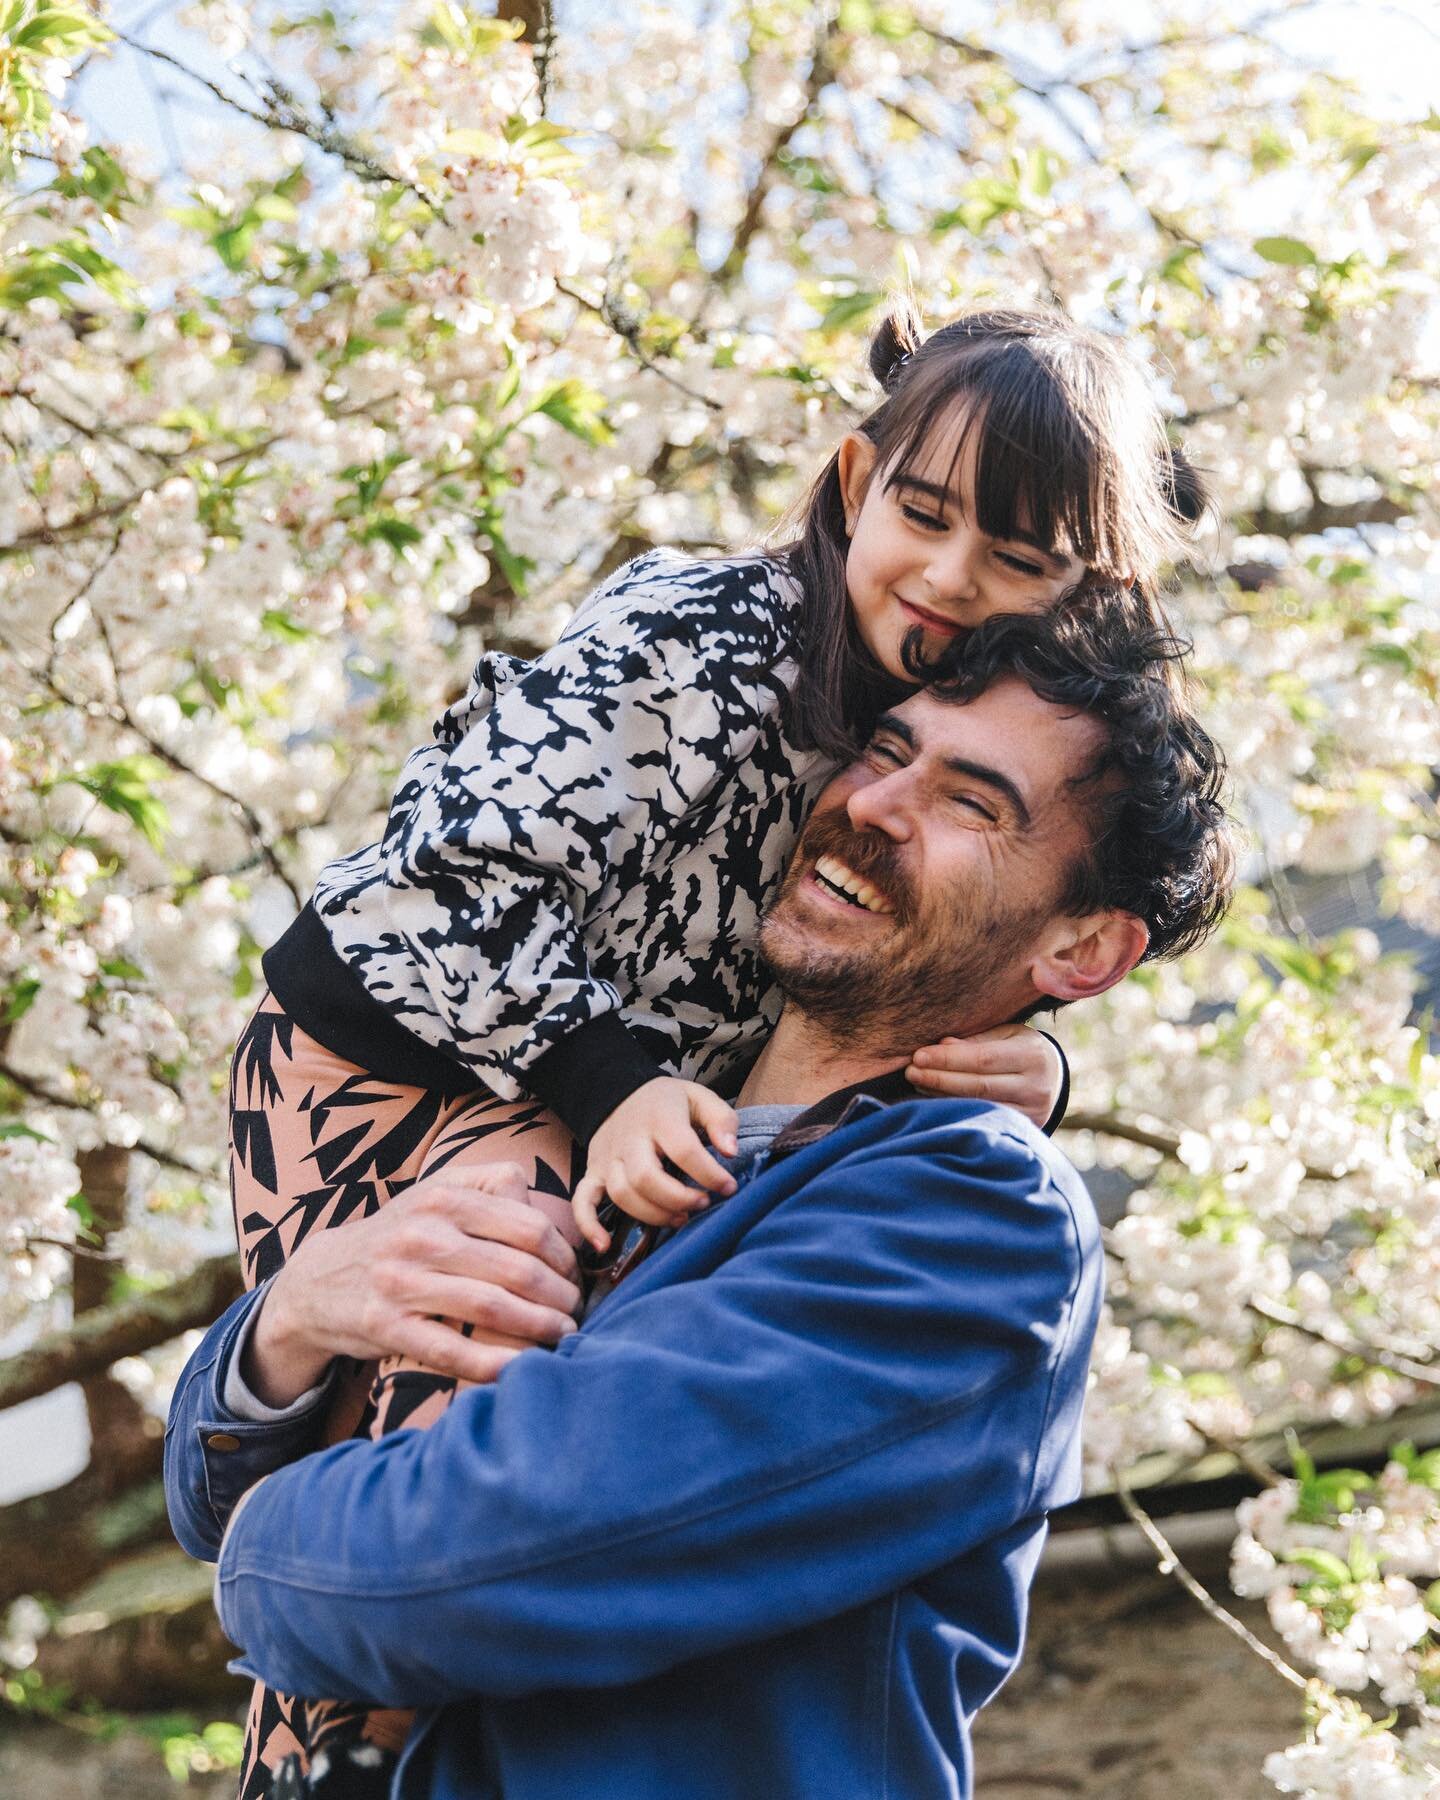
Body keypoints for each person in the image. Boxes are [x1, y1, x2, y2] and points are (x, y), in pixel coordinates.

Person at [219, 301, 1203, 1791]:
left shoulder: (948, 1212)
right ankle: (330, 1752)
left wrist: (1037, 1061)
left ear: (1089, 591)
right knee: (465, 1317)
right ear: (852, 476)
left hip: (554, 1082)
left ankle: (345, 1746)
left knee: (469, 1359)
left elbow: (425, 1552)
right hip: (398, 1036)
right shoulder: (711, 643)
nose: (947, 581)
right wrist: (287, 1335)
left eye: (1014, 559)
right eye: (922, 517)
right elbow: (417, 891)